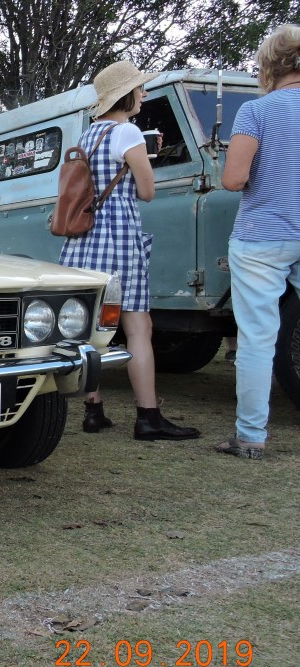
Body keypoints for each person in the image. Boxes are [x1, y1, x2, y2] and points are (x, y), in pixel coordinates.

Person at [58, 60, 200, 441]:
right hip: (118, 237)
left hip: (83, 239)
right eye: (139, 88)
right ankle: (148, 416)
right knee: (138, 326)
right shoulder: (128, 132)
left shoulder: (88, 135)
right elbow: (147, 191)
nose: (144, 93)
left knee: (91, 327)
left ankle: (93, 410)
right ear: (126, 95)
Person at [216, 24, 300, 460]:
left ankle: (250, 437)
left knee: (256, 339)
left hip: (262, 236)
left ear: (270, 65)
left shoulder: (256, 111)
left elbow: (234, 179)